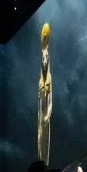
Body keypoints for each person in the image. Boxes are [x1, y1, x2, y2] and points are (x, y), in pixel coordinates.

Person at [37, 23, 52, 163]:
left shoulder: (49, 79)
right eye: (43, 59)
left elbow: (50, 100)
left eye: (46, 58)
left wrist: (48, 114)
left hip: (46, 117)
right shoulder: (40, 81)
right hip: (41, 118)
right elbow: (39, 102)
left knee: (46, 143)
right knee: (40, 142)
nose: (45, 61)